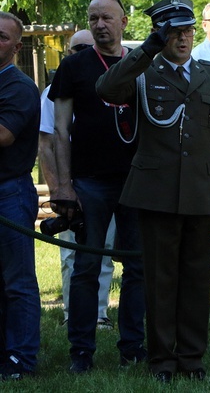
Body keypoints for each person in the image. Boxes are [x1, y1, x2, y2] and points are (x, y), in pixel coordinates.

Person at [96, 0, 210, 383]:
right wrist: (146, 49)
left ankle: (192, 358)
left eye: (187, 30)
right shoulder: (143, 71)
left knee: (196, 280)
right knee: (160, 281)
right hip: (155, 192)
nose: (182, 38)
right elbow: (107, 89)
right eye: (173, 32)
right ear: (161, 35)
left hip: (202, 192)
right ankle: (161, 360)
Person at [48, 0, 146, 373]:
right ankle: (81, 351)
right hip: (90, 182)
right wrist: (63, 186)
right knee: (87, 266)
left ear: (124, 22)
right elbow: (59, 131)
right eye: (93, 19)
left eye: (106, 18)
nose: (99, 25)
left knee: (137, 266)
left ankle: (132, 346)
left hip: (137, 182)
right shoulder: (74, 68)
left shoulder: (141, 64)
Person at [37, 30, 116, 329]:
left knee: (105, 252)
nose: (84, 51)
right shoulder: (51, 93)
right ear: (70, 53)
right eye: (77, 48)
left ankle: (99, 313)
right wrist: (60, 189)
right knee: (72, 255)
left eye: (87, 46)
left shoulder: (112, 84)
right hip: (72, 186)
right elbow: (47, 144)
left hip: (104, 182)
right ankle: (74, 314)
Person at [0, 12, 41, 381]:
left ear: (16, 46)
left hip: (9, 193)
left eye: (1, 37)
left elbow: (3, 135)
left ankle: (21, 360)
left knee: (18, 284)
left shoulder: (18, 85)